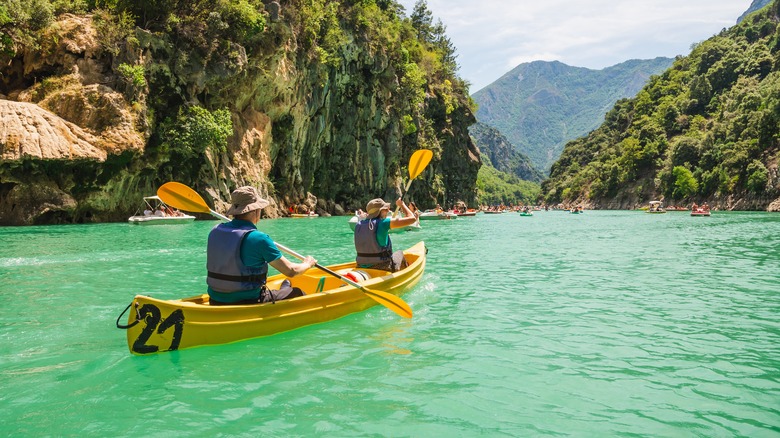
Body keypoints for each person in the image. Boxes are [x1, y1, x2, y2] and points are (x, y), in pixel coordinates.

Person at [207, 186, 317, 305]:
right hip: (249, 300)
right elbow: (291, 271)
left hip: (215, 299)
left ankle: (284, 288)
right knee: (297, 292)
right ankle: (287, 291)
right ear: (255, 210)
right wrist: (307, 263)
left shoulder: (215, 231)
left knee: (284, 288)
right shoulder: (259, 239)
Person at [354, 197, 417, 272]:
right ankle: (403, 275)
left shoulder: (358, 225)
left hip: (360, 265)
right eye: (386, 209)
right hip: (382, 266)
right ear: (379, 211)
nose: (388, 211)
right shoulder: (384, 223)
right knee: (400, 253)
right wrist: (402, 204)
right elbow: (412, 219)